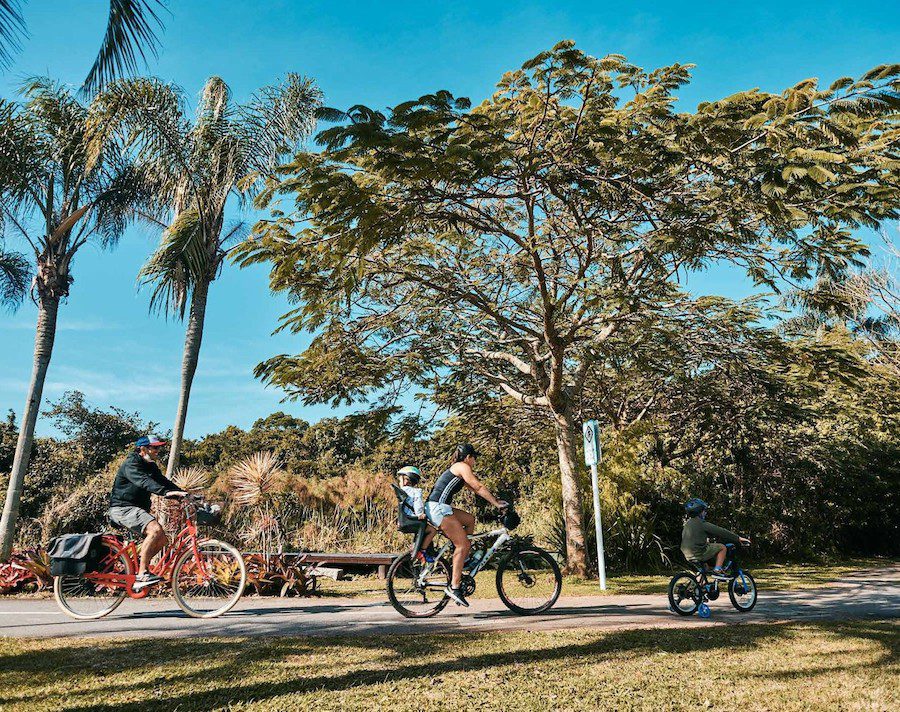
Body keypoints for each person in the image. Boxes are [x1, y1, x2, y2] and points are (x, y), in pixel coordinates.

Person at [426, 443, 506, 607]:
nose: (475, 462)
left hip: (440, 507)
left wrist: (494, 500)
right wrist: (497, 504)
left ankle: (465, 559)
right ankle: (454, 587)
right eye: (474, 458)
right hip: (438, 509)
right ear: (469, 457)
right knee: (462, 544)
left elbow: (475, 489)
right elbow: (478, 485)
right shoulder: (462, 466)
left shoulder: (458, 469)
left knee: (469, 519)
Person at [108, 435, 187, 590]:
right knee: (155, 530)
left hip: (136, 509)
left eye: (159, 447)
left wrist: (182, 493)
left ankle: (142, 571)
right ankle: (142, 573)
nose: (158, 451)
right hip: (123, 508)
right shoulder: (131, 464)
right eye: (155, 447)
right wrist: (165, 493)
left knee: (162, 539)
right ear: (143, 449)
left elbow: (163, 481)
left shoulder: (150, 466)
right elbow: (143, 482)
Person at [681, 498, 751, 577]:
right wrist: (738, 538)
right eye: (704, 511)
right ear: (700, 512)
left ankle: (696, 587)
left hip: (687, 554)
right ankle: (717, 569)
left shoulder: (687, 524)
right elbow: (720, 531)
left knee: (704, 569)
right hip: (699, 553)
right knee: (722, 547)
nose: (705, 513)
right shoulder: (702, 523)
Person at [397, 465, 438, 563]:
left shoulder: (401, 492)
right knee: (432, 530)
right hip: (412, 520)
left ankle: (416, 547)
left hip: (404, 521)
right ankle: (423, 551)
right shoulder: (416, 491)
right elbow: (418, 503)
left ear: (406, 479)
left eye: (400, 480)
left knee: (423, 530)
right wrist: (420, 514)